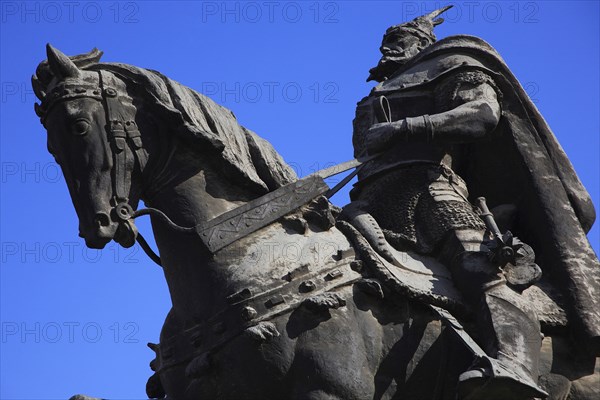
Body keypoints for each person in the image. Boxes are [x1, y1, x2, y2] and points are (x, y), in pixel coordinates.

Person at [341, 6, 587, 399]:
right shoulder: (373, 97)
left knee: (477, 267)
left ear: (423, 43)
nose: (388, 49)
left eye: (398, 41)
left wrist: (405, 127)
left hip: (432, 190)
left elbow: (482, 115)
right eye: (385, 42)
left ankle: (514, 364)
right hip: (370, 199)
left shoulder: (453, 64)